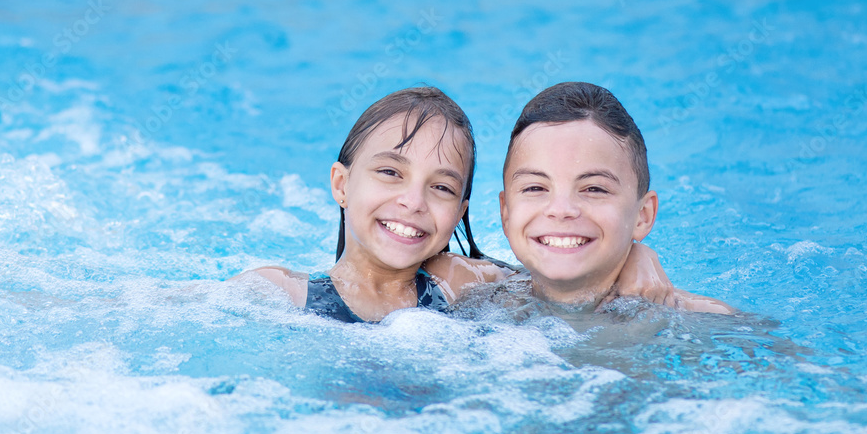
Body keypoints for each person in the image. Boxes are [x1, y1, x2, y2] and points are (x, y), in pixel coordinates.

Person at [234, 85, 681, 322]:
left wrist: (631, 253)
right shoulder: (280, 294)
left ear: (461, 212)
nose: (412, 202)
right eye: (390, 172)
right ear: (341, 184)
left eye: (442, 187)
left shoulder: (458, 284)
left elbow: (560, 278)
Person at [498, 81, 734, 314]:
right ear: (506, 214)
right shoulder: (473, 292)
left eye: (594, 189)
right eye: (535, 188)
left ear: (642, 217)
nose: (561, 209)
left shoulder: (710, 322)